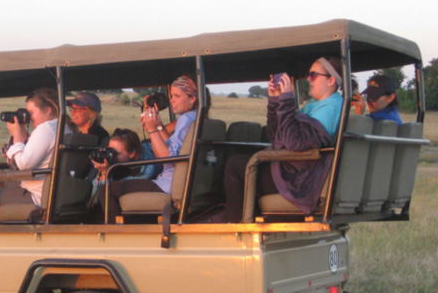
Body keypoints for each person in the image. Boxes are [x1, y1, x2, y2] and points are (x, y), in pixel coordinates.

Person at [222, 56, 344, 222]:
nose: (309, 79)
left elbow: (295, 143)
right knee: (242, 159)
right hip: (292, 171)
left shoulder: (329, 108)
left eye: (314, 75)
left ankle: (235, 229)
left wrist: (287, 100)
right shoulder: (317, 105)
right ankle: (251, 221)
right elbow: (277, 135)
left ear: (330, 80)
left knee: (235, 165)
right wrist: (275, 100)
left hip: (296, 179)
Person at [103, 75, 199, 223]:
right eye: (171, 96)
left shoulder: (185, 119)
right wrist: (158, 125)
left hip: (167, 185)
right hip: (175, 182)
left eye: (177, 96)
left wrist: (152, 130)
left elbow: (167, 158)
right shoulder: (196, 118)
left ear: (192, 98)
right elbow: (174, 148)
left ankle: (114, 233)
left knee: (106, 189)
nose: (172, 100)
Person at [0, 88, 67, 223]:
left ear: (48, 109)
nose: (29, 117)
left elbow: (24, 164)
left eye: (32, 112)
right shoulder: (64, 127)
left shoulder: (46, 128)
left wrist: (17, 136)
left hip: (36, 195)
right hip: (55, 195)